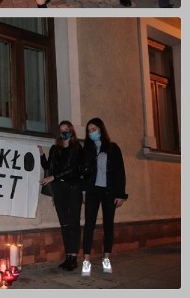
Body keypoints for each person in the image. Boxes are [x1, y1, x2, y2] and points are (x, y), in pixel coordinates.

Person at [80, 117, 127, 277]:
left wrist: (120, 194)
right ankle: (86, 260)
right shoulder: (86, 150)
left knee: (108, 225)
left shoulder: (113, 148)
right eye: (89, 130)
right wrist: (84, 192)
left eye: (94, 129)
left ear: (101, 129)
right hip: (92, 191)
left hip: (109, 191)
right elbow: (83, 175)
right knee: (89, 225)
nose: (91, 132)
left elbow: (120, 172)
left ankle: (106, 258)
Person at [38, 121, 84, 272]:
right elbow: (48, 167)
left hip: (73, 187)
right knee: (64, 223)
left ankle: (73, 257)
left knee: (74, 222)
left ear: (71, 131)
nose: (64, 132)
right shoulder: (55, 148)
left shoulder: (77, 148)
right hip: (59, 188)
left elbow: (74, 169)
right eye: (61, 130)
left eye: (67, 129)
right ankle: (68, 256)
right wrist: (41, 154)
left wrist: (54, 177)